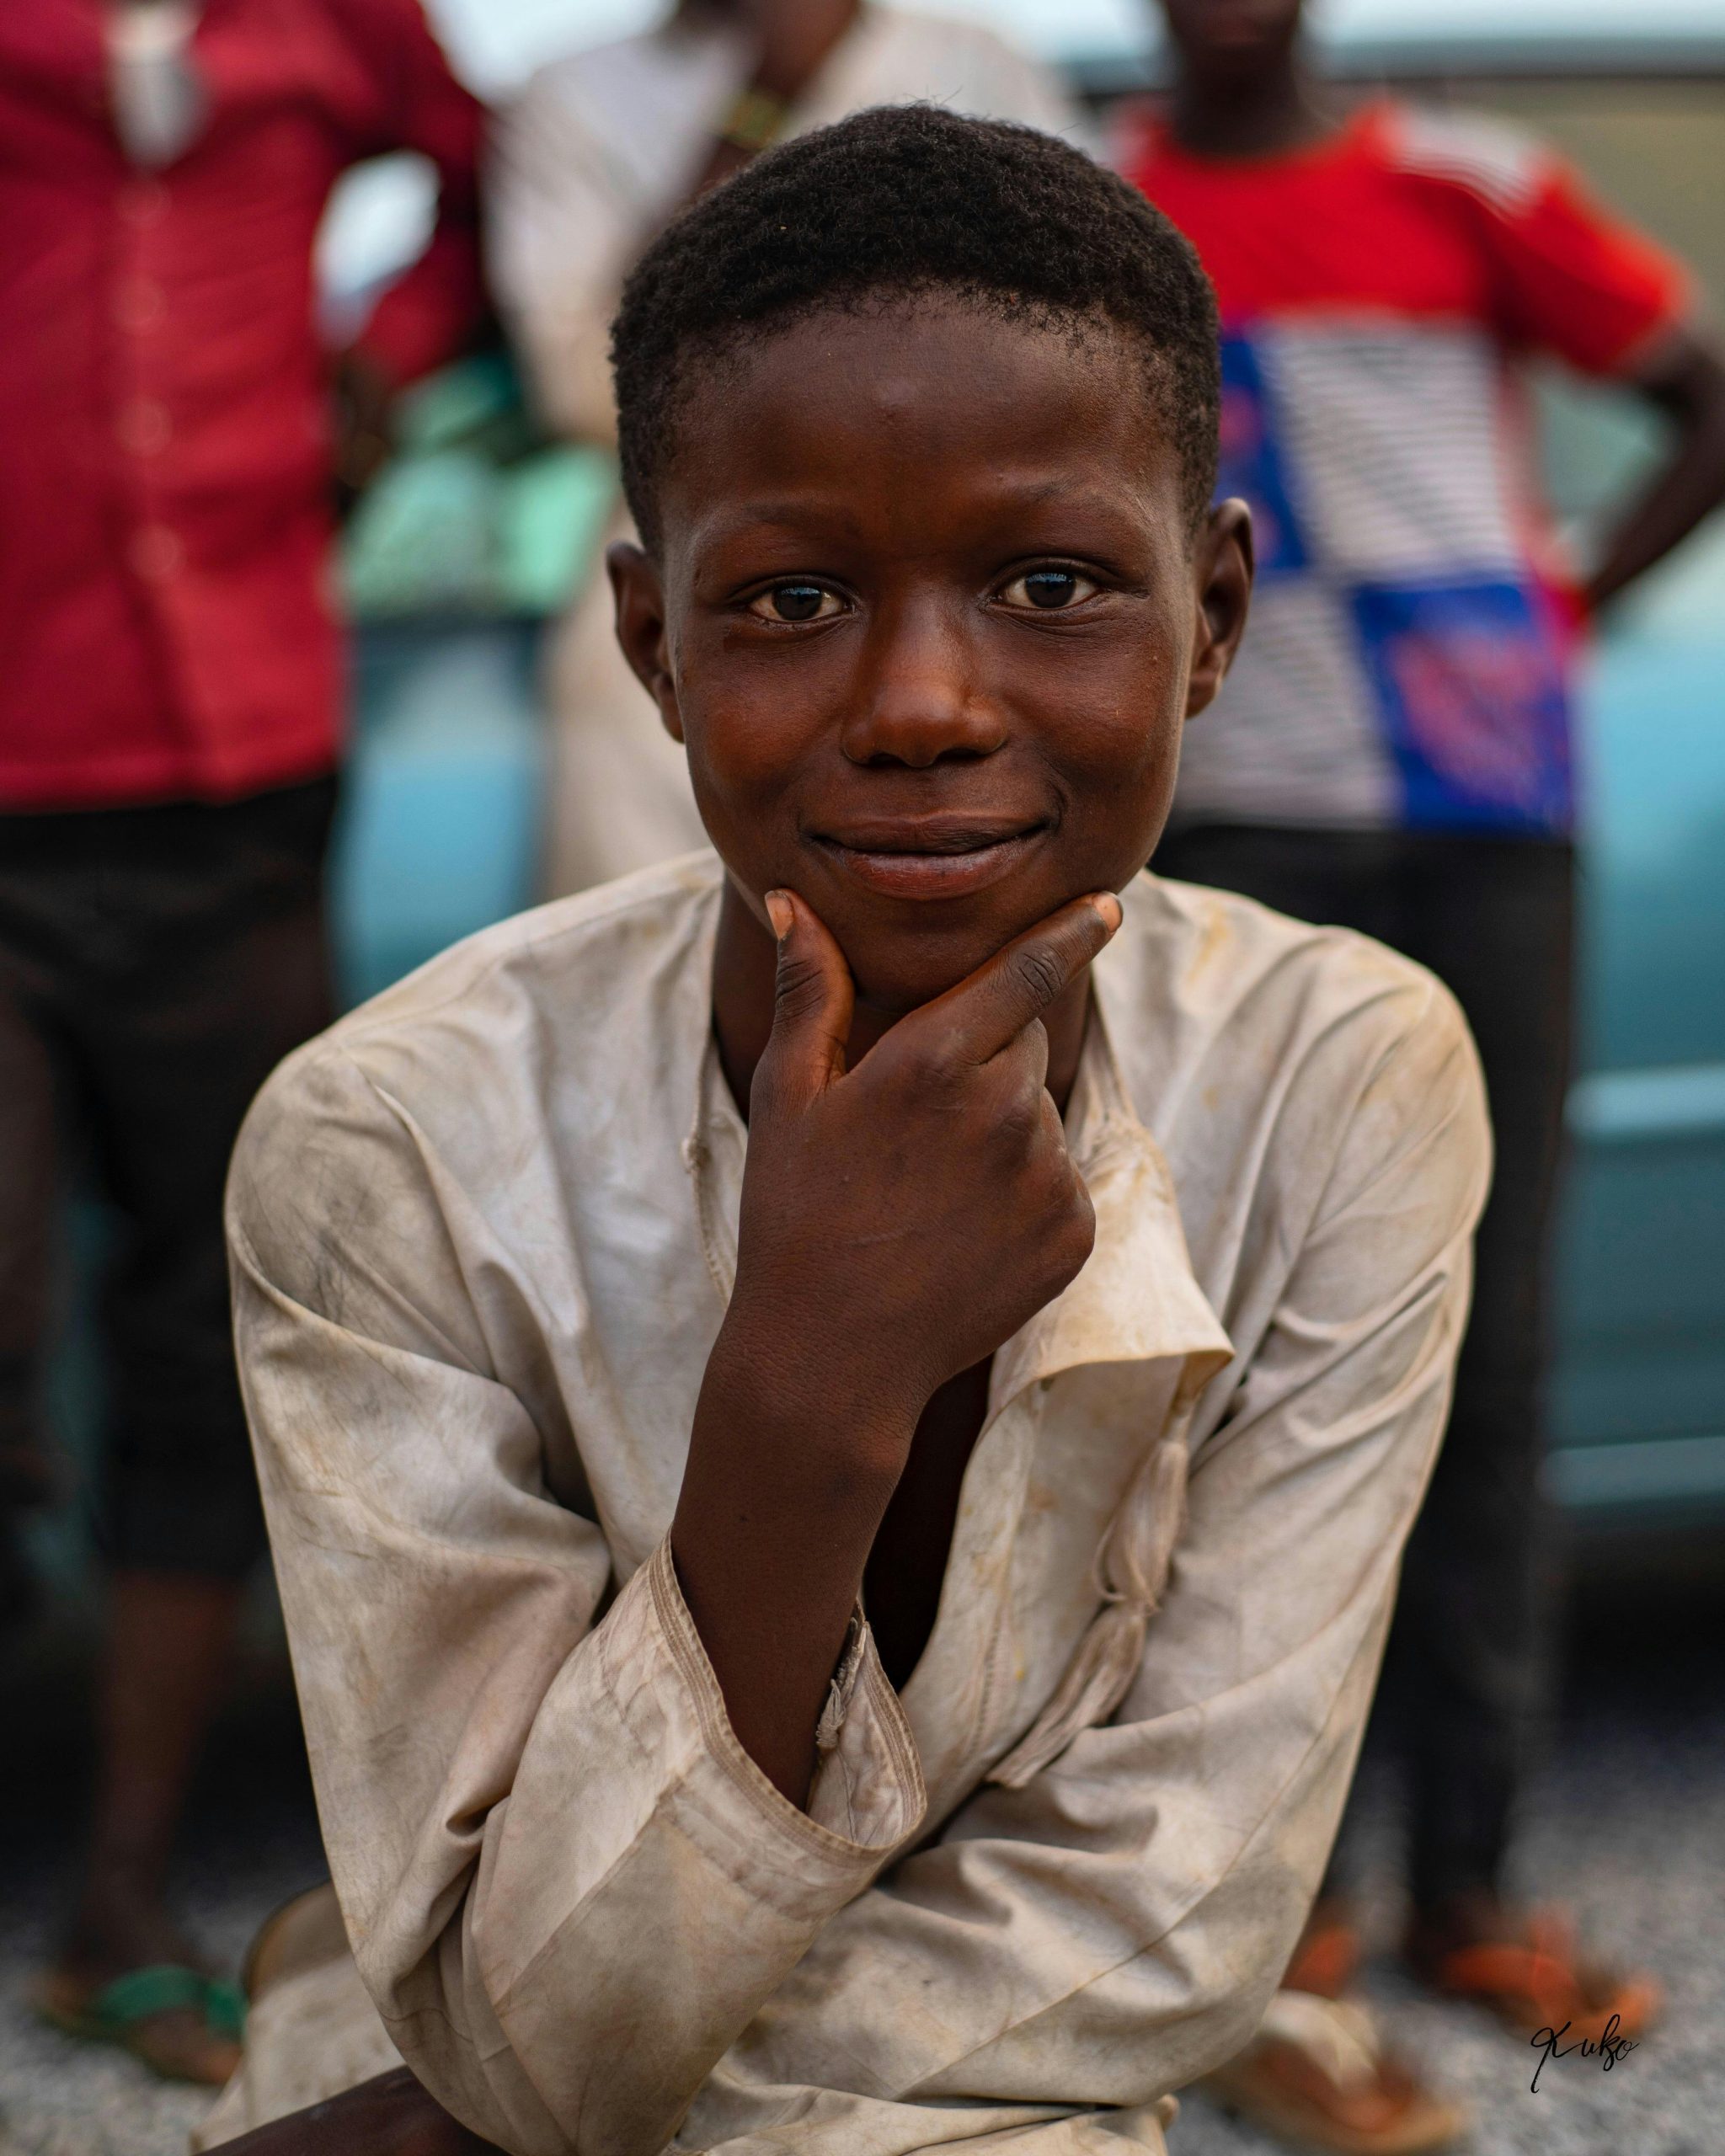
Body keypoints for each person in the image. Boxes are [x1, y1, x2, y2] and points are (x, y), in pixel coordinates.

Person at [198, 108, 1490, 2155]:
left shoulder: (1336, 1073)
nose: (917, 701)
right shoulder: (395, 1148)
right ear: (652, 643)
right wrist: (810, 1384)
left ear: (1216, 615)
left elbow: (1162, 1920)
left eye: (1051, 581)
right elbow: (509, 2013)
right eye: (791, 600)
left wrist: (454, 2120)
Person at [1119, 2, 1725, 2148]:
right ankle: (1267, 1906)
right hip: (1230, 820)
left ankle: (1464, 1880)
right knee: (1230, 1360)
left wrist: (1559, 608)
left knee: (1486, 1339)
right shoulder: (1104, 199)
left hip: (1483, 821)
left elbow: (1699, 389)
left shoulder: (1458, 181)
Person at [0, 0, 483, 2087]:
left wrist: (374, 369)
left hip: (238, 762)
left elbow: (485, 182)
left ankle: (117, 1899)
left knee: (212, 1324)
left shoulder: (339, 23)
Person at [488, 0, 1078, 896]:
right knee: (664, 963)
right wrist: (766, 95)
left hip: (976, 563)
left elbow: (1084, 355)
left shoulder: (977, 64)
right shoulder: (575, 95)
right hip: (709, 584)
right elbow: (580, 385)